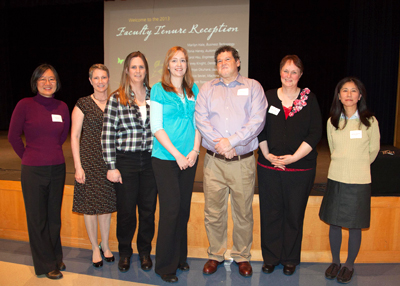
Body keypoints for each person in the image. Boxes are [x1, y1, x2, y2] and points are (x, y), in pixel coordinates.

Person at [195, 45, 267, 277]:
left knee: (243, 212)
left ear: (237, 62)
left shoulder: (253, 86)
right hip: (214, 162)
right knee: (213, 212)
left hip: (242, 162)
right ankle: (215, 254)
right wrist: (222, 144)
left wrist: (232, 142)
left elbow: (257, 120)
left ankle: (242, 256)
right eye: (219, 60)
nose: (223, 63)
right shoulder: (207, 88)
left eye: (227, 59)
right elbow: (201, 120)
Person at [257, 55, 322, 276]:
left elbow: (315, 133)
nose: (289, 76)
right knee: (271, 213)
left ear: (300, 75)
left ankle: (290, 259)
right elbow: (260, 129)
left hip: (300, 168)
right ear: (280, 73)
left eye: (294, 72)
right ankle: (271, 257)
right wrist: (267, 155)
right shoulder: (267, 97)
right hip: (269, 167)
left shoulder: (309, 99)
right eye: (286, 71)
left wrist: (293, 158)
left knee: (294, 214)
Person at [8, 64, 70, 279]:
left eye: (51, 79)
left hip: (58, 168)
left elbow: (62, 136)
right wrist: (27, 156)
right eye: (42, 79)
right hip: (33, 170)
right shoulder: (25, 105)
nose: (47, 83)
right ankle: (45, 264)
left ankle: (55, 256)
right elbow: (13, 137)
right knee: (37, 218)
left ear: (57, 82)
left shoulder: (62, 106)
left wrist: (50, 152)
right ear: (35, 82)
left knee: (54, 218)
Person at [319, 77, 380, 283]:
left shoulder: (369, 121)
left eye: (353, 91)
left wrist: (358, 165)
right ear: (339, 95)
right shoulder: (332, 121)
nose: (349, 95)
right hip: (336, 178)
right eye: (344, 91)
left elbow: (373, 151)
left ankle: (349, 264)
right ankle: (335, 262)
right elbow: (333, 148)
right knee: (334, 224)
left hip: (359, 180)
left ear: (360, 95)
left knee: (355, 225)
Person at [101, 51, 157, 273]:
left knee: (147, 211)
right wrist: (111, 167)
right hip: (126, 161)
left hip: (151, 161)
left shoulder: (156, 96)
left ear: (146, 70)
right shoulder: (116, 98)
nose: (138, 71)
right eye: (133, 67)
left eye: (141, 67)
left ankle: (145, 252)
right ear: (126, 70)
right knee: (125, 212)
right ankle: (125, 252)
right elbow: (107, 135)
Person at [150, 46, 201, 283]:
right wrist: (178, 154)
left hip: (190, 158)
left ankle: (180, 257)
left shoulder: (194, 89)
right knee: (170, 210)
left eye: (183, 60)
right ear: (168, 65)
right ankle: (165, 266)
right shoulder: (159, 89)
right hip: (166, 159)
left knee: (183, 210)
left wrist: (194, 150)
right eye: (174, 60)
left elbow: (200, 123)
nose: (179, 64)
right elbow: (156, 127)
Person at [71, 64, 117, 268]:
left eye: (104, 77)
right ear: (90, 81)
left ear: (108, 79)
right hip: (88, 162)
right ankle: (94, 248)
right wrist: (78, 166)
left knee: (106, 207)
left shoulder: (115, 102)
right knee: (90, 208)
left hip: (109, 162)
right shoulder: (82, 103)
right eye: (96, 78)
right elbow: (74, 136)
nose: (100, 82)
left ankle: (106, 245)